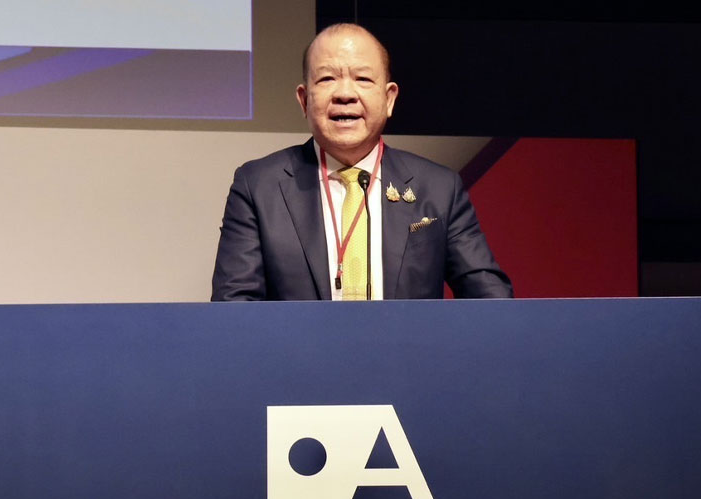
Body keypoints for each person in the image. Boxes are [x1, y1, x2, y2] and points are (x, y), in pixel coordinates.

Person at [211, 23, 512, 301]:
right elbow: (233, 307)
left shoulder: (439, 188)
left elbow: (491, 300)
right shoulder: (258, 187)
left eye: (363, 79)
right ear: (304, 100)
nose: (345, 94)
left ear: (389, 98)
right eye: (327, 78)